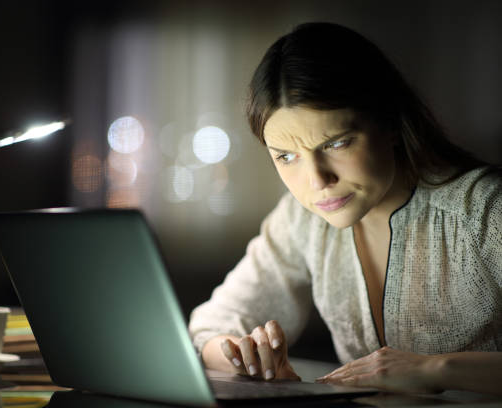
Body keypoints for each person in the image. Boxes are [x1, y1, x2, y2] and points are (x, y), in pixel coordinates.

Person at [188, 22, 502, 395]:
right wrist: (243, 357)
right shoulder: (301, 219)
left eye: (336, 144)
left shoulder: (483, 211)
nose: (317, 180)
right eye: (286, 156)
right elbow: (209, 327)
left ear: (388, 121)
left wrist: (437, 369)